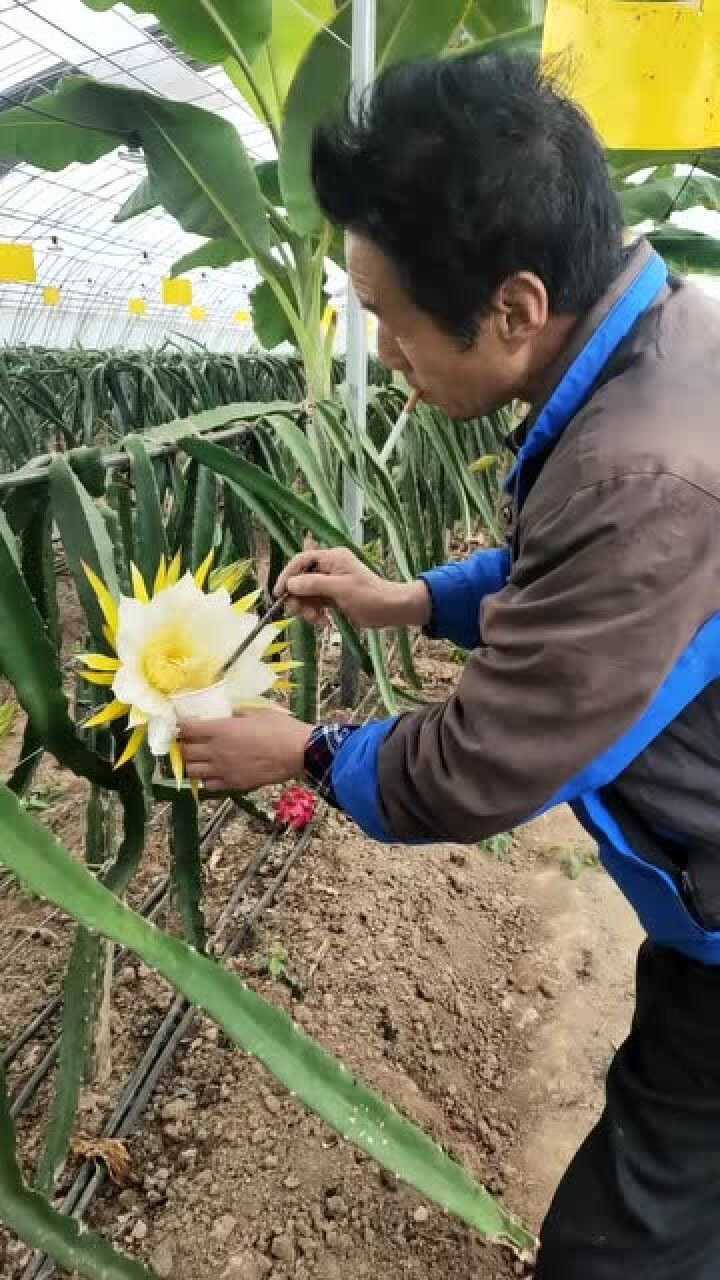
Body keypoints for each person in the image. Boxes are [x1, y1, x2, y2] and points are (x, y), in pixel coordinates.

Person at [180, 54, 720, 1280]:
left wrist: (306, 748)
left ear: (515, 307)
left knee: (620, 1245)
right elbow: (563, 571)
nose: (388, 348)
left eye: (388, 316)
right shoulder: (661, 349)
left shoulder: (649, 472)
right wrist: (412, 597)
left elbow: (482, 765)